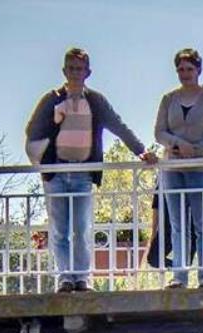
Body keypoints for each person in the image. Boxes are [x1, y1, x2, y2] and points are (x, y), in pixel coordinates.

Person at [25, 47, 157, 293]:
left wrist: (140, 151)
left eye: (80, 69)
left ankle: (82, 278)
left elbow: (118, 126)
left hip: (84, 172)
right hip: (56, 172)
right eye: (72, 68)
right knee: (60, 229)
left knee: (82, 228)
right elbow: (32, 131)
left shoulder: (95, 101)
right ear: (65, 71)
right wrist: (55, 118)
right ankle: (65, 277)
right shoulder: (51, 99)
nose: (76, 73)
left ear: (88, 72)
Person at [154, 48, 203, 288]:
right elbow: (159, 132)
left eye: (189, 69)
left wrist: (198, 150)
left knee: (202, 223)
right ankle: (179, 275)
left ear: (198, 70)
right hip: (173, 168)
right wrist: (177, 144)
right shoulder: (169, 99)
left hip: (202, 169)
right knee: (177, 224)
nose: (185, 74)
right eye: (181, 69)